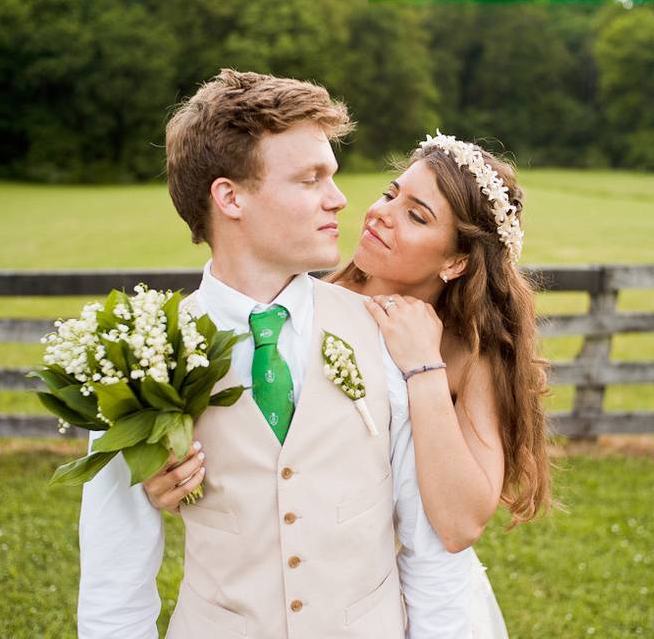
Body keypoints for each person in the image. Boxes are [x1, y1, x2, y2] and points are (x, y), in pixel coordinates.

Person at [78, 69, 473, 639]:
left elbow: (431, 552)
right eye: (311, 179)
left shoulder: (387, 334)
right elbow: (115, 574)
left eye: (332, 176)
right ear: (230, 196)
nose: (339, 200)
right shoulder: (142, 358)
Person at [145, 128, 554, 637]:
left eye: (416, 215)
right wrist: (166, 475)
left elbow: (459, 525)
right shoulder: (308, 300)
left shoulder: (469, 353)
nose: (381, 212)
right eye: (391, 193)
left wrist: (423, 367)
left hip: (421, 601)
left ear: (455, 261)